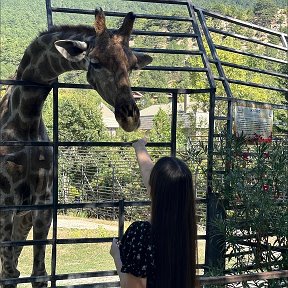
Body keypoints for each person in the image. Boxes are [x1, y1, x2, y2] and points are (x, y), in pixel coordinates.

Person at [110, 138, 198, 288]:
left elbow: (131, 286)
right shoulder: (185, 231)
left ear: (153, 188)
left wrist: (116, 255)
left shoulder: (141, 233)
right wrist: (139, 147)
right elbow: (152, 178)